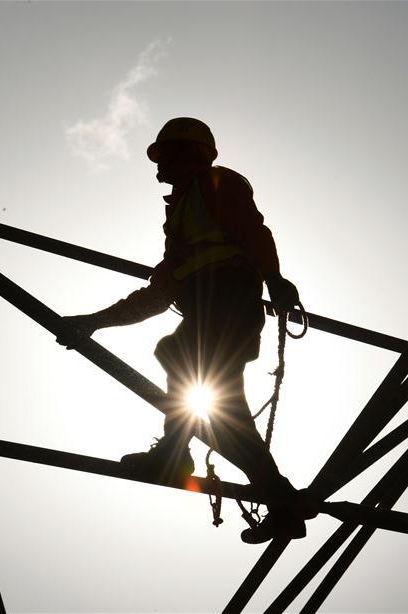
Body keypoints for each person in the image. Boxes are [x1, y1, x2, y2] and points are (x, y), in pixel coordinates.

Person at [57, 117, 306, 543]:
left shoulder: (216, 184)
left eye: (166, 154)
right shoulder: (179, 221)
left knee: (179, 355)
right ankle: (279, 500)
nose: (160, 166)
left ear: (189, 153)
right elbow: (157, 296)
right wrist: (93, 322)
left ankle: (175, 458)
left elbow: (252, 232)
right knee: (226, 412)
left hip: (228, 303)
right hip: (212, 311)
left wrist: (276, 280)